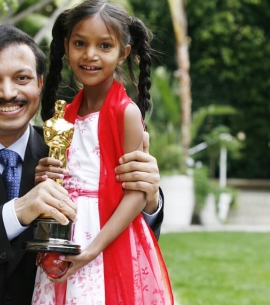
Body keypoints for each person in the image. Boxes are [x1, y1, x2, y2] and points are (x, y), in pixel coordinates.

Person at [0, 23, 164, 305]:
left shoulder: (67, 149)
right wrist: (19, 211)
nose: (8, 93)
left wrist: (148, 201)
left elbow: (116, 236)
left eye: (22, 78)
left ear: (39, 84)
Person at [31, 1, 173, 304]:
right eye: (80, 43)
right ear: (66, 47)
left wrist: (93, 248)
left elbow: (136, 193)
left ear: (123, 53)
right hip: (65, 237)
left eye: (104, 45)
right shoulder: (65, 115)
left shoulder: (125, 114)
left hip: (105, 241)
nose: (90, 54)